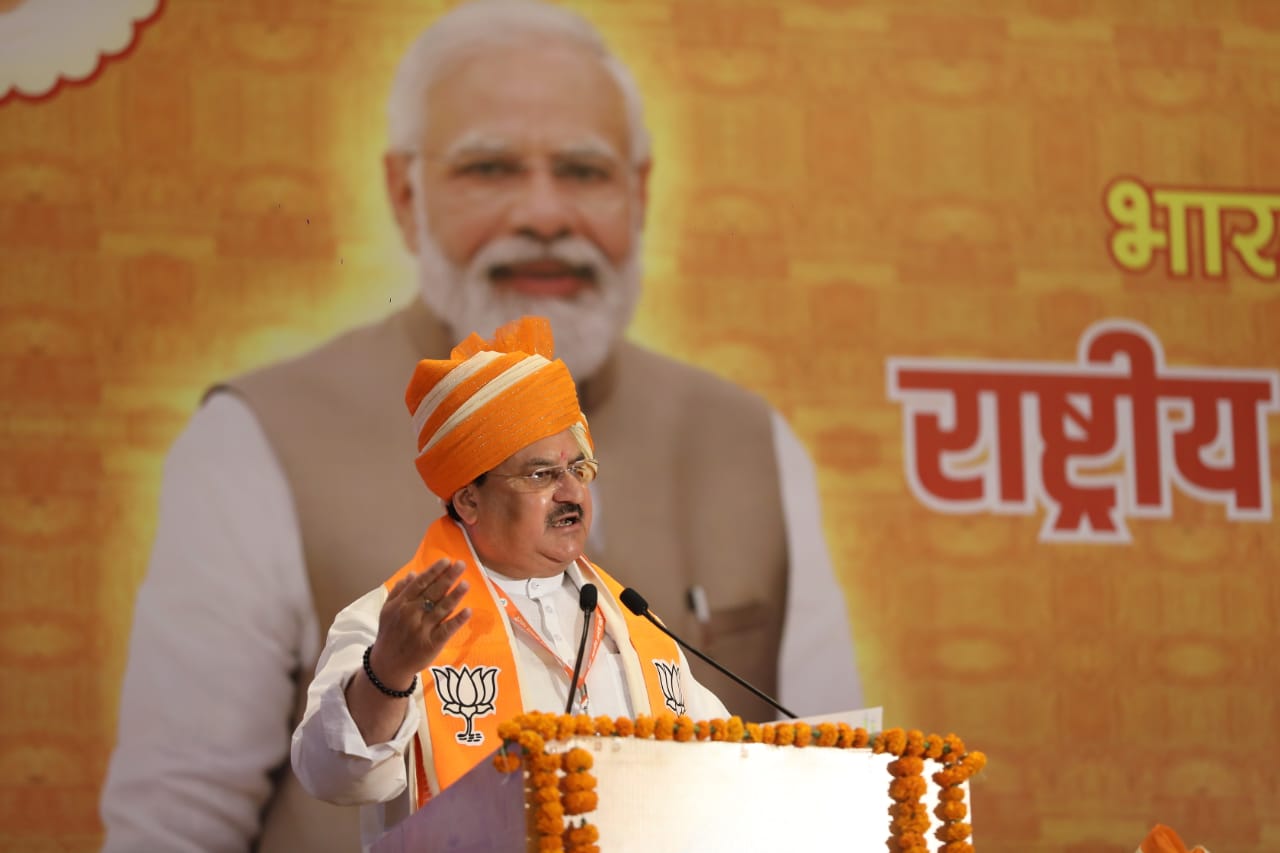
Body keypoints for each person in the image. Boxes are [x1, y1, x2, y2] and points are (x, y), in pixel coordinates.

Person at [100, 2, 861, 851]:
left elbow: (781, 772)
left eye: (582, 171)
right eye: (490, 168)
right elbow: (259, 796)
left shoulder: (654, 599)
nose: (543, 214)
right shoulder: (287, 484)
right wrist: (389, 673)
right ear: (405, 191)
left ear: (638, 193)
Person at [290, 316, 728, 849]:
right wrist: (389, 670)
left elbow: (723, 760)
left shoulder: (629, 623)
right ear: (469, 499)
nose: (571, 493)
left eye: (579, 469)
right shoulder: (392, 621)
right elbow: (331, 775)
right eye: (541, 475)